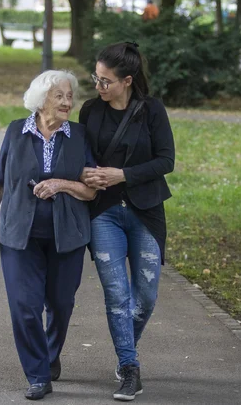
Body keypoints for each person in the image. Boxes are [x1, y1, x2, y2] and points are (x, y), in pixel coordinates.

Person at [0, 70, 97, 401]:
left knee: (60, 304)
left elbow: (91, 191)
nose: (67, 102)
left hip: (67, 235)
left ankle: (49, 352)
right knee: (25, 305)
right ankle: (37, 373)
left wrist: (62, 184)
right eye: (59, 95)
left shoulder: (79, 136)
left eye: (70, 96)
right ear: (41, 98)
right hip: (19, 233)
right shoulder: (16, 131)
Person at [79, 42, 175, 401]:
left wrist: (123, 175)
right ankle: (129, 367)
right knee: (117, 295)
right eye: (97, 78)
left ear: (128, 81)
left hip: (145, 212)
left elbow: (166, 161)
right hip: (103, 214)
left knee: (145, 297)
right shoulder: (90, 111)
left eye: (105, 81)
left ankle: (124, 347)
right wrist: (85, 172)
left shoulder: (152, 111)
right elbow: (82, 155)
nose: (98, 86)